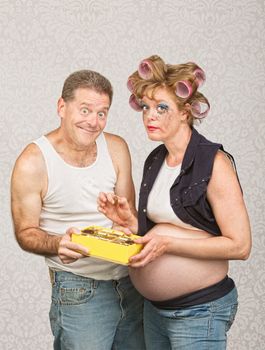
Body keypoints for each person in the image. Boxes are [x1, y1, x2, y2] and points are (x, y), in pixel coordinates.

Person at [98, 55, 252, 350]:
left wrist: (168, 244)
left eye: (161, 107)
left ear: (185, 112)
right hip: (155, 310)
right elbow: (157, 233)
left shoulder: (214, 163)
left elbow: (240, 246)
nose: (149, 116)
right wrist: (129, 222)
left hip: (199, 311)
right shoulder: (156, 159)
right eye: (145, 107)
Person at [11, 70, 145, 350]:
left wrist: (128, 220)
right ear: (62, 107)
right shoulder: (33, 161)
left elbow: (130, 219)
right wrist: (57, 243)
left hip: (132, 284)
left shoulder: (117, 148)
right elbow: (26, 232)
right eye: (84, 110)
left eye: (102, 113)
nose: (93, 121)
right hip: (78, 288)